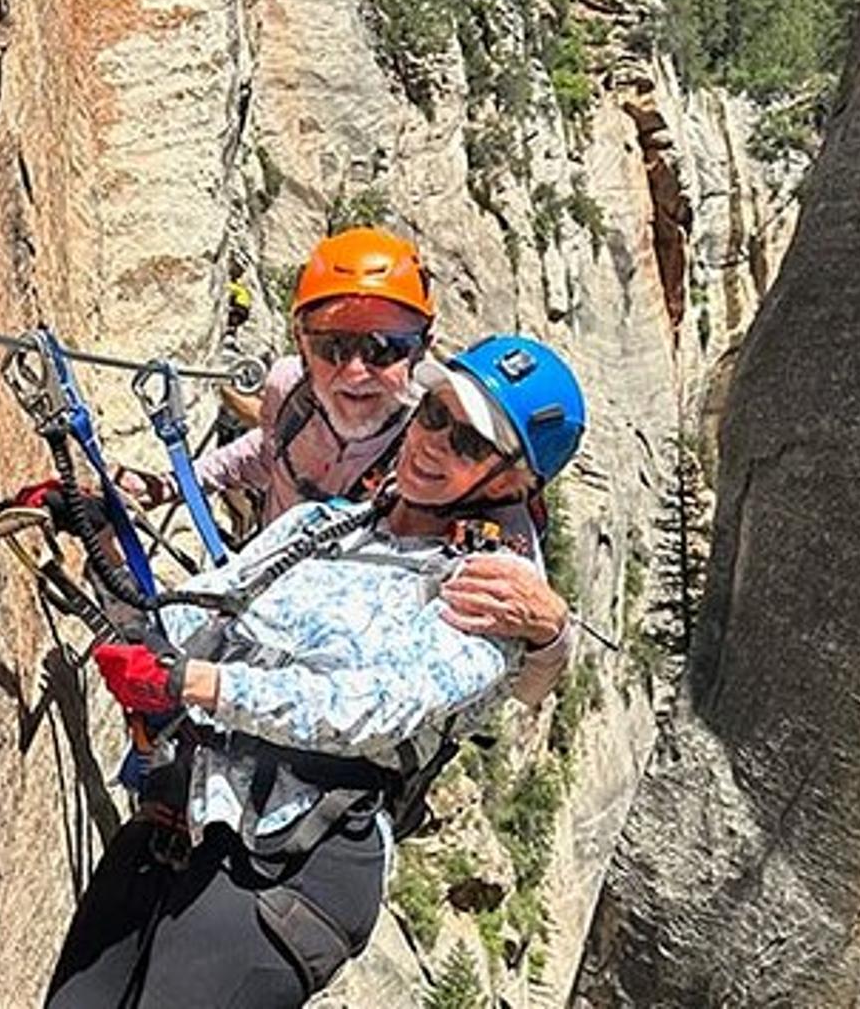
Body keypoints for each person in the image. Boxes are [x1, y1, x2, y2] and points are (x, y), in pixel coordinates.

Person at [45, 336, 588, 1009]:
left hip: (297, 865)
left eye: (470, 443)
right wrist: (94, 533)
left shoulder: (491, 591)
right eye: (434, 414)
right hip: (191, 808)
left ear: (514, 483)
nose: (434, 442)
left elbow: (368, 709)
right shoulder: (327, 523)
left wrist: (201, 684)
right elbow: (197, 612)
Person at [124, 227, 574, 704]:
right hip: (262, 584)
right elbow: (268, 453)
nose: (356, 372)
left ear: (421, 348)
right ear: (302, 342)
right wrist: (168, 486)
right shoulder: (290, 391)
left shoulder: (434, 447)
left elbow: (522, 681)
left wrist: (552, 632)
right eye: (333, 346)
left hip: (327, 673)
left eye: (384, 348)